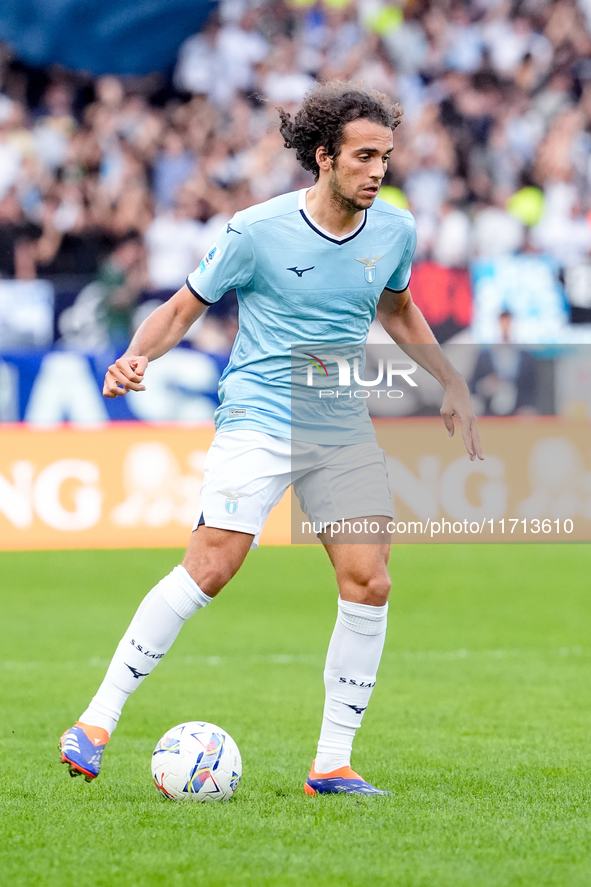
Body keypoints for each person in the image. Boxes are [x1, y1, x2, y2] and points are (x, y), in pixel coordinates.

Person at [60, 82, 483, 796]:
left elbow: (400, 307)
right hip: (259, 411)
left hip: (338, 419)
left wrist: (449, 378)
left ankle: (332, 762)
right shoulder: (255, 230)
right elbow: (183, 306)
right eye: (362, 156)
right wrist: (137, 355)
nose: (377, 170)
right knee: (213, 565)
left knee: (369, 578)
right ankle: (96, 720)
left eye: (384, 156)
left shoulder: (394, 231)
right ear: (323, 157)